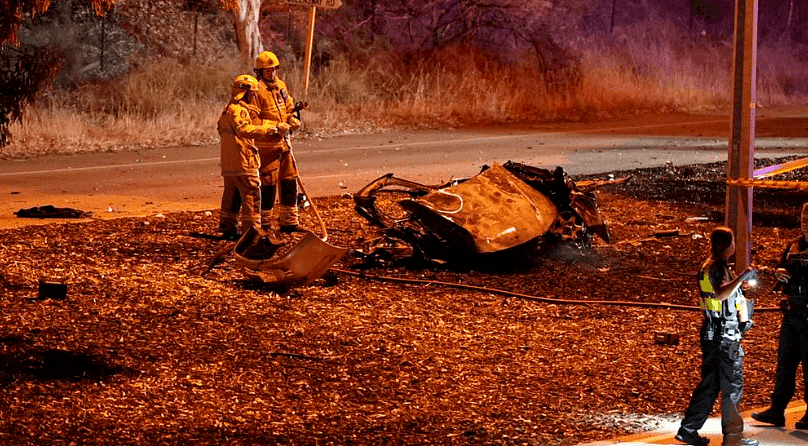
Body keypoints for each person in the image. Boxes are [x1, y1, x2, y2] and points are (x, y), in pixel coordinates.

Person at [676, 226, 758, 446]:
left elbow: (712, 298)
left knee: (710, 384)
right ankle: (733, 438)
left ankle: (688, 429)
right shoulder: (719, 268)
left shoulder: (706, 267)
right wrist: (742, 277)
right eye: (733, 242)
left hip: (711, 333)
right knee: (732, 386)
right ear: (729, 245)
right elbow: (721, 294)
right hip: (725, 336)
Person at [751, 202, 808, 429]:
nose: (805, 224)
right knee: (785, 363)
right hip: (793, 312)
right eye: (803, 220)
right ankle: (777, 410)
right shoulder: (794, 245)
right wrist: (779, 273)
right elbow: (781, 267)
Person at [216, 74, 274, 240]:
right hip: (244, 161)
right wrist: (268, 130)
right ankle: (252, 232)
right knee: (251, 195)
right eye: (252, 93)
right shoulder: (240, 111)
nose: (254, 96)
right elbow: (245, 130)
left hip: (229, 163)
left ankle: (227, 226)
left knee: (231, 194)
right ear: (244, 92)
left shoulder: (228, 109)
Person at [252, 51, 302, 232]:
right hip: (267, 147)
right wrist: (275, 126)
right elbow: (253, 120)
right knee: (268, 185)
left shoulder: (281, 86)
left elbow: (288, 107)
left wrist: (292, 118)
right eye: (267, 71)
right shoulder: (256, 90)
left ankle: (289, 221)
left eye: (274, 70)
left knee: (289, 180)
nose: (272, 74)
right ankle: (265, 224)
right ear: (259, 72)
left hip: (285, 145)